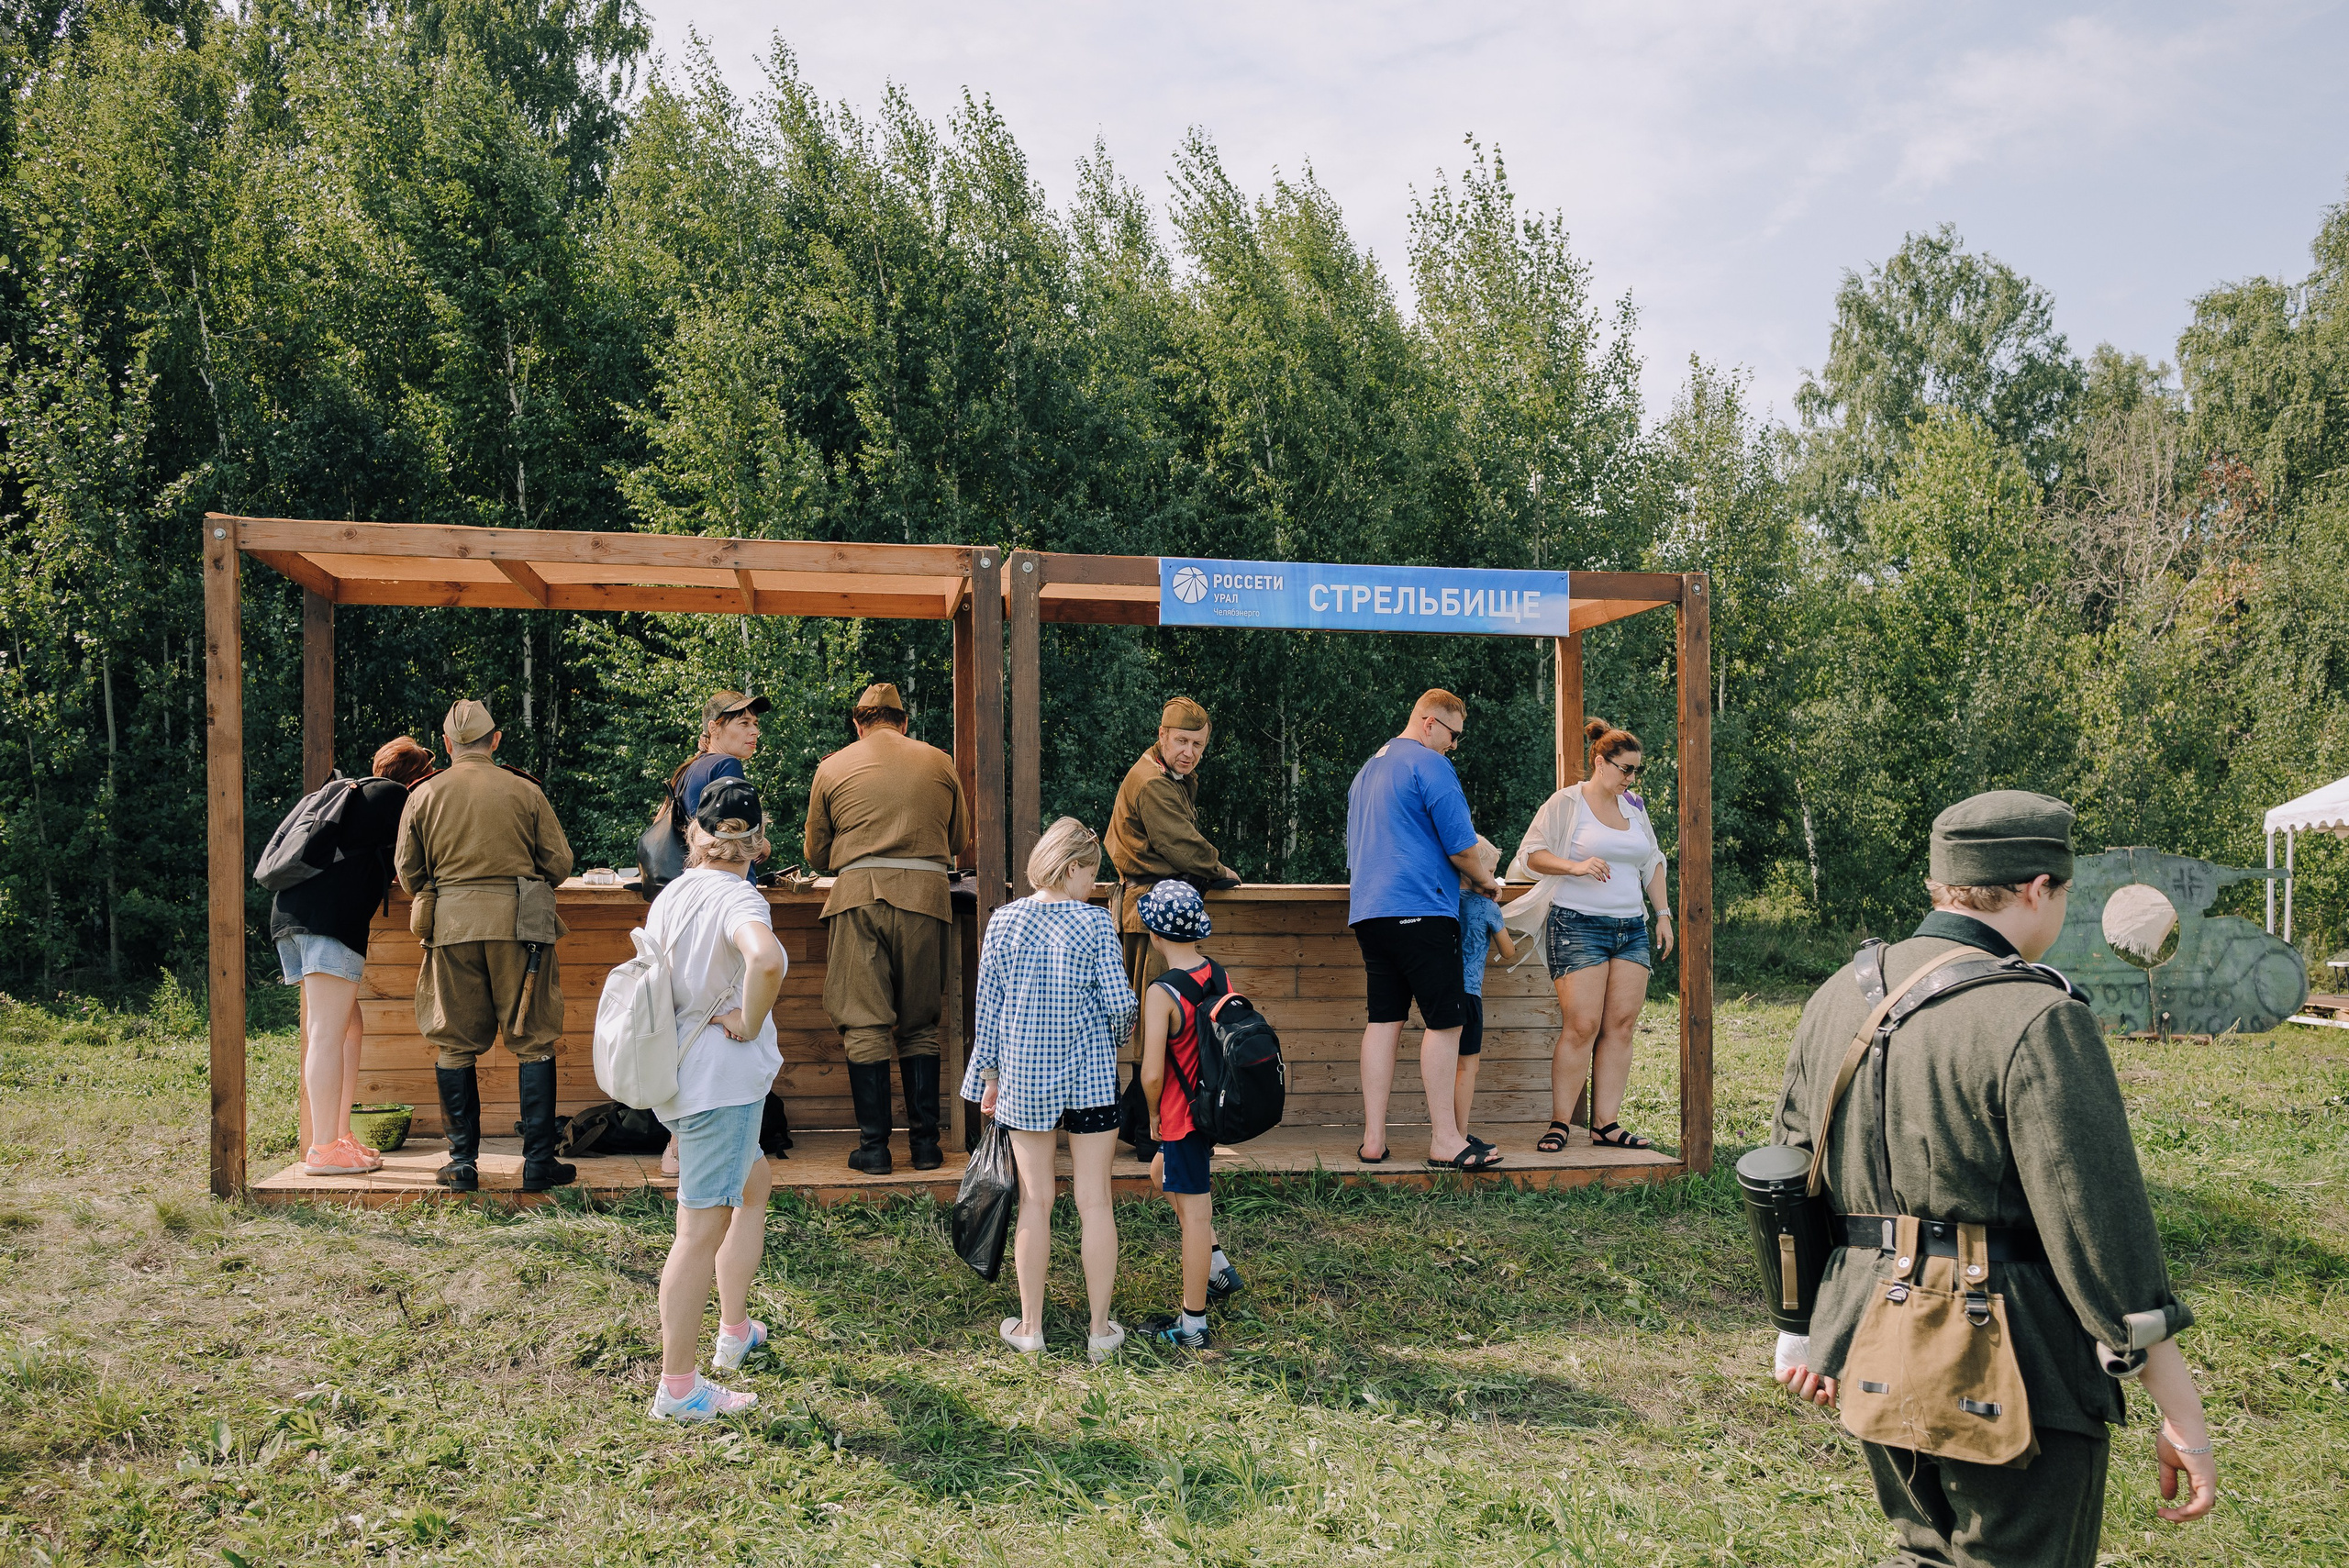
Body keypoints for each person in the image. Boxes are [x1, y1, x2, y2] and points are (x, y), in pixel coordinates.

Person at [1772, 790, 2218, 1564]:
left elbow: (1782, 1172)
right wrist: (2182, 1414)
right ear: (2040, 886)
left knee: (1927, 1554)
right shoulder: (2036, 1014)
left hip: (1869, 1348)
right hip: (2015, 1367)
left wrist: (1802, 1326)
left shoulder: (1837, 996)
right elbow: (2101, 1234)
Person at [961, 817, 1136, 1362]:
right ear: (1074, 867)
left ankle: (1031, 1329)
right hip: (1089, 1080)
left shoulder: (1004, 923)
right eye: (1093, 874)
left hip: (1025, 1081)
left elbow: (986, 1013)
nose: (1095, 885)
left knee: (1036, 1200)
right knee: (1095, 1200)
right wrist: (1120, 1029)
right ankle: (1100, 1331)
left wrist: (987, 1079)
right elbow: (1119, 1006)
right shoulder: (1096, 924)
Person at [645, 778, 790, 1421]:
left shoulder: (671, 894)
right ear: (758, 843)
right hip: (720, 1086)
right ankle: (678, 1387)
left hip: (675, 1076)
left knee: (753, 1182)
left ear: (695, 836)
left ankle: (735, 1329)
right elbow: (766, 962)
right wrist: (751, 1021)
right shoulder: (742, 899)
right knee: (698, 1230)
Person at [395, 699, 576, 1194]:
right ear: (495, 741)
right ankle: (538, 1164)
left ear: (449, 745)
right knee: (534, 1040)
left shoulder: (423, 795)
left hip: (451, 928)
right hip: (521, 929)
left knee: (453, 1044)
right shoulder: (525, 791)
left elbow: (409, 874)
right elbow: (558, 865)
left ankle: (461, 1165)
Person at [803, 682, 972, 1174]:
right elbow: (959, 838)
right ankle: (925, 1148)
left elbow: (815, 853)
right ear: (903, 722)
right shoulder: (939, 762)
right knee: (919, 1026)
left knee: (864, 1022)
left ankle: (874, 1149)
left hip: (858, 899)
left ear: (859, 724)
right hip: (926, 899)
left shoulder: (833, 766)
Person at [1344, 689, 1504, 1171]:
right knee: (1446, 1021)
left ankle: (1373, 1141)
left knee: (1383, 1020)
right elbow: (1461, 846)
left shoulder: (1367, 770)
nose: (1454, 746)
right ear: (1430, 722)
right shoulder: (1429, 765)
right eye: (1453, 735)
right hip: (1421, 908)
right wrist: (1485, 881)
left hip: (1370, 912)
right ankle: (1445, 1140)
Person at [1503, 718, 1674, 1153]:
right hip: (1577, 924)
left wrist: (1663, 914)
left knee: (1621, 1025)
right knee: (1583, 1025)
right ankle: (1561, 1123)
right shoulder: (1567, 803)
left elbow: (1652, 860)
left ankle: (1606, 1125)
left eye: (1637, 770)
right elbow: (1531, 854)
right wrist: (1576, 866)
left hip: (1630, 928)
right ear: (1601, 762)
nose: (1632, 779)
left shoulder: (1633, 806)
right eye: (1626, 769)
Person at [272, 736, 437, 1175]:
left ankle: (339, 1136)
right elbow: (411, 864)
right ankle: (323, 1149)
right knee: (328, 1031)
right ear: (418, 776)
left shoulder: (363, 794)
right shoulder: (395, 798)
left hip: (297, 914)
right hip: (327, 920)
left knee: (347, 1027)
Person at [657, 691, 772, 1177]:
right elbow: (766, 963)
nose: (753, 730)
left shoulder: (689, 768)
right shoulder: (725, 768)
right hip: (723, 905)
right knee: (725, 1013)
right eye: (740, 721)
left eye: (754, 723)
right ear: (714, 728)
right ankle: (690, 1152)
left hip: (689, 893)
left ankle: (682, 1145)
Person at [1132, 879, 1246, 1349]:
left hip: (1182, 1115)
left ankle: (1193, 1323)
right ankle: (1218, 1268)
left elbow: (1152, 1072)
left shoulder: (1162, 992)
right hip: (1212, 1107)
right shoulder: (1217, 974)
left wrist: (1154, 1116)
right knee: (1162, 1174)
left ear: (1155, 936)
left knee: (1196, 1215)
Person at [1105, 696, 1241, 998]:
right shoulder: (1153, 782)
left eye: (1198, 744)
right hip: (1151, 914)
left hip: (1161, 910)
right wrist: (1219, 869)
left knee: (1171, 1017)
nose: (1189, 752)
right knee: (1160, 1014)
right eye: (1182, 741)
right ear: (1162, 735)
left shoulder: (1170, 775)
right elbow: (1184, 847)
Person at [1452, 836, 1516, 1146]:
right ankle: (1460, 1134)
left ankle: (1445, 1131)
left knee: (1444, 1063)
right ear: (1474, 871)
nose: (1494, 878)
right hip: (1470, 996)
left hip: (1441, 994)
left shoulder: (1446, 900)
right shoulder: (1487, 909)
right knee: (1467, 1067)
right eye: (1490, 871)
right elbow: (1508, 952)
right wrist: (1495, 910)